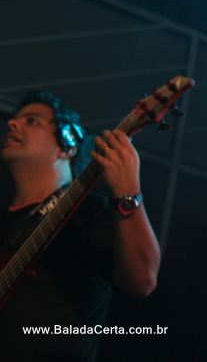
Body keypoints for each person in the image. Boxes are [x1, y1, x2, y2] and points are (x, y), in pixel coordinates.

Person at [0, 91, 161, 362]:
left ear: (68, 143)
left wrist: (128, 193)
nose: (12, 124)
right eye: (15, 120)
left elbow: (143, 281)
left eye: (32, 121)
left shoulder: (90, 212)